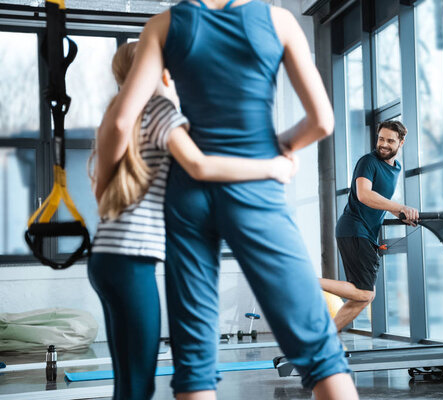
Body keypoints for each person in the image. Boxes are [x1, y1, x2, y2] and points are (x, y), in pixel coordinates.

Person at [95, 1, 358, 400]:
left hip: (187, 198)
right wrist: (279, 148)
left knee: (195, 360)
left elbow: (119, 120)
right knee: (320, 353)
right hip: (254, 188)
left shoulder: (164, 25)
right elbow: (322, 121)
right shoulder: (279, 20)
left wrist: (105, 187)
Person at [88, 41, 298, 400]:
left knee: (128, 380)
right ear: (159, 70)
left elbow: (101, 194)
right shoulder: (159, 109)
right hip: (131, 262)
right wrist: (271, 167)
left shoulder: (119, 115)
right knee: (138, 382)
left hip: (106, 260)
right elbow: (200, 165)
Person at [320, 120, 419, 332]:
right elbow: (365, 195)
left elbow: (380, 200)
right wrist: (400, 206)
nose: (383, 144)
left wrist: (399, 213)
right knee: (365, 293)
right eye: (381, 138)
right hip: (355, 229)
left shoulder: (396, 168)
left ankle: (322, 339)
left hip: (364, 232)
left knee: (361, 298)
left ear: (401, 143)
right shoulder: (368, 162)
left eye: (390, 141)